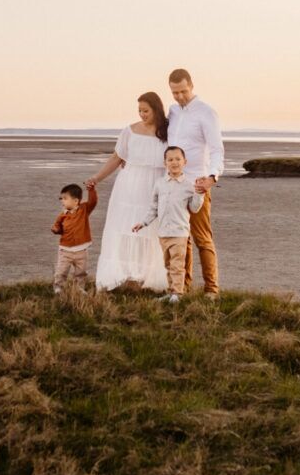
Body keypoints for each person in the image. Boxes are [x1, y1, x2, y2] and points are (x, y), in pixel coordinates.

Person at [85, 92, 168, 292]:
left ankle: (147, 277)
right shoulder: (129, 131)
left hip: (156, 185)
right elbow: (116, 158)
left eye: (146, 110)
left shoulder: (168, 131)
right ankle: (125, 274)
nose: (142, 114)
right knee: (125, 228)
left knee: (152, 231)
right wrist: (97, 177)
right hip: (129, 185)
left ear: (156, 109)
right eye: (139, 110)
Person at [167, 68, 224, 297]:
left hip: (197, 184)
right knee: (182, 238)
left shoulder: (206, 112)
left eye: (183, 91)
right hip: (174, 184)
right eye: (174, 93)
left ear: (191, 85)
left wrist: (212, 178)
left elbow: (217, 149)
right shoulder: (172, 112)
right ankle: (184, 287)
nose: (179, 96)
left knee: (202, 237)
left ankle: (212, 289)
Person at [132, 145, 203, 302]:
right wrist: (143, 223)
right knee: (168, 264)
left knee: (178, 264)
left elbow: (194, 208)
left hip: (179, 232)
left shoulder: (189, 185)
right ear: (165, 163)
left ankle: (177, 294)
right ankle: (172, 292)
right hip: (163, 232)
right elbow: (154, 208)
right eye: (170, 159)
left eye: (178, 159)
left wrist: (199, 194)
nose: (174, 162)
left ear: (185, 161)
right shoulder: (160, 184)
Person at [51, 182, 97, 293]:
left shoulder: (84, 210)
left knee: (81, 272)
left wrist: (91, 190)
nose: (62, 201)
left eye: (65, 198)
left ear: (76, 201)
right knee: (61, 271)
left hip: (81, 250)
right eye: (61, 198)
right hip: (65, 250)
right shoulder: (62, 215)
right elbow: (56, 226)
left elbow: (93, 202)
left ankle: (79, 288)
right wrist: (56, 229)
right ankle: (58, 287)